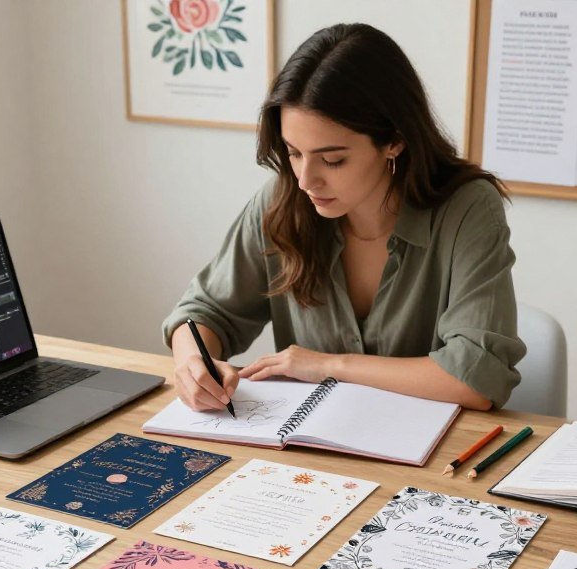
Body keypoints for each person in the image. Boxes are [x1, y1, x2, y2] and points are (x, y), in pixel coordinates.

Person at [163, 23, 525, 413]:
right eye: (293, 152)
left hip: (431, 459)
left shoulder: (467, 209)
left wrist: (329, 366)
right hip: (309, 455)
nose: (305, 180)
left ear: (394, 140)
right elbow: (204, 312)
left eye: (332, 160)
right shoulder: (280, 201)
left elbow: (478, 378)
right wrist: (192, 363)